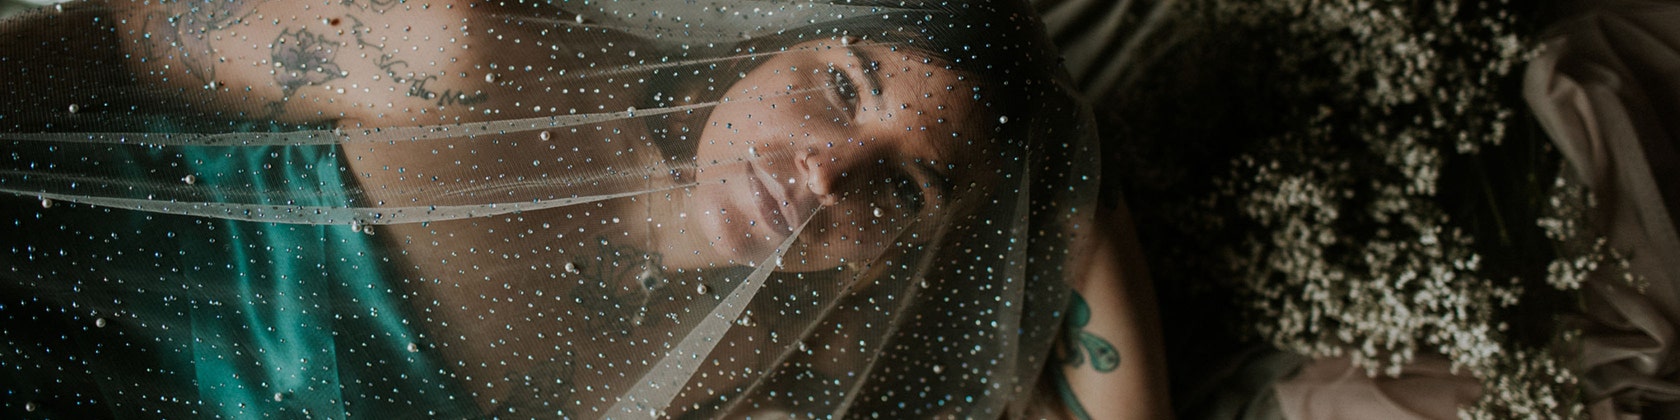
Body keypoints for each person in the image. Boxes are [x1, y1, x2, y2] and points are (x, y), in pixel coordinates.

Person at [0, 0, 1167, 418]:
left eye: (902, 187)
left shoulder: (756, 366)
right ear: (764, 44)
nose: (826, 176)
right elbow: (116, 40)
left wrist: (1066, 178)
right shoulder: (459, 65)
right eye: (844, 87)